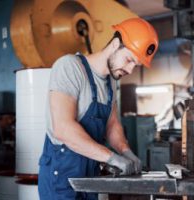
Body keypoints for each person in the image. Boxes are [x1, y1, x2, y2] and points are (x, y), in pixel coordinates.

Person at [38, 17, 159, 200]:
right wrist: (111, 157)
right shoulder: (70, 67)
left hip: (90, 176)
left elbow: (112, 126)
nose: (130, 70)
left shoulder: (110, 83)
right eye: (129, 60)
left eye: (136, 65)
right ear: (116, 44)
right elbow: (63, 129)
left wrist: (126, 152)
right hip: (61, 177)